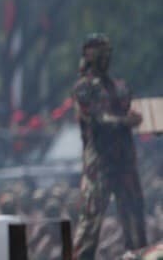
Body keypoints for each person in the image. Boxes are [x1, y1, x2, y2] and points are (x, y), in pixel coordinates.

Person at [71, 33, 147, 259]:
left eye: (107, 51)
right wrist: (125, 121)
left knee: (135, 222)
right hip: (100, 165)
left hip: (125, 163)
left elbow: (131, 111)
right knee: (90, 226)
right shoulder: (83, 87)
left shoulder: (121, 87)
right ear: (88, 54)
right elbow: (95, 118)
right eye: (99, 51)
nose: (105, 57)